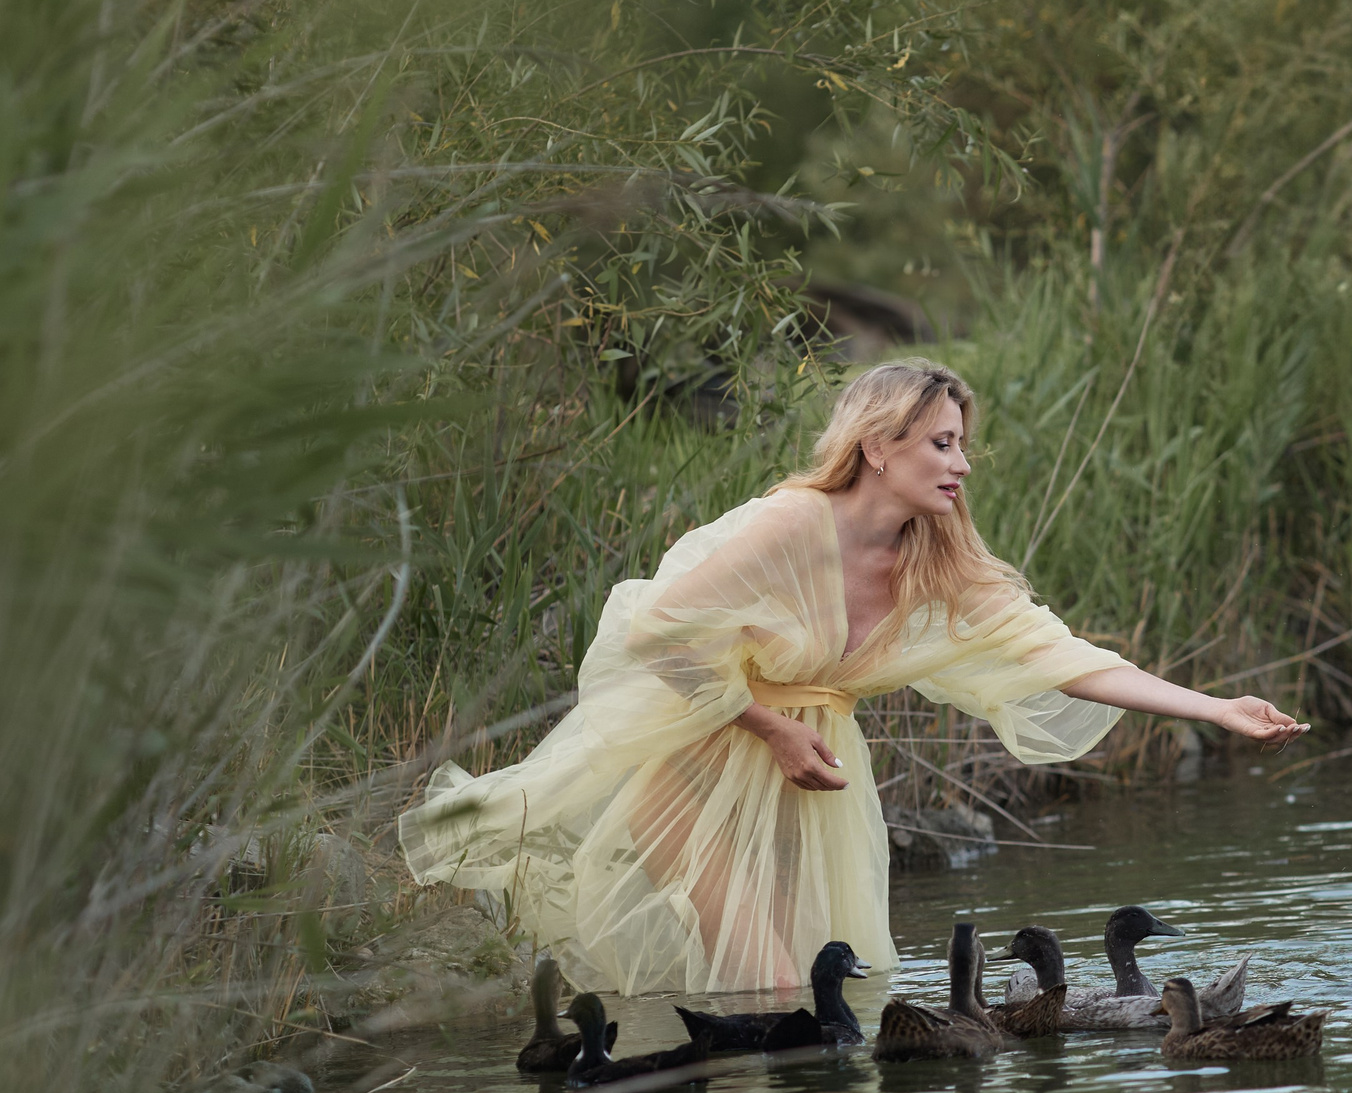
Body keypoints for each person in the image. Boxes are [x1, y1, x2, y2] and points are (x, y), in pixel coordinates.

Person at [398, 359, 1305, 994]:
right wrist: (769, 726)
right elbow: (657, 633)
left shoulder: (941, 567)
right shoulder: (793, 525)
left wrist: (1216, 708)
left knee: (819, 987)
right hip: (694, 766)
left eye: (961, 445)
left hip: (813, 790)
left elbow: (1067, 659)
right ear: (878, 445)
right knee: (771, 983)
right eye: (942, 443)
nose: (962, 463)